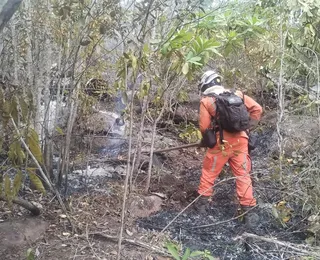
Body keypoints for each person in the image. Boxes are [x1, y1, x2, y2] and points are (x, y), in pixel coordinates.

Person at [195, 70, 263, 225]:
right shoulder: (238, 94)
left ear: (205, 84)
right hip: (242, 141)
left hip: (222, 143)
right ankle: (248, 211)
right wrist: (247, 128)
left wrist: (208, 140)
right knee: (243, 175)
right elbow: (257, 109)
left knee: (209, 171)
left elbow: (204, 127)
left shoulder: (207, 101)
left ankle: (202, 205)